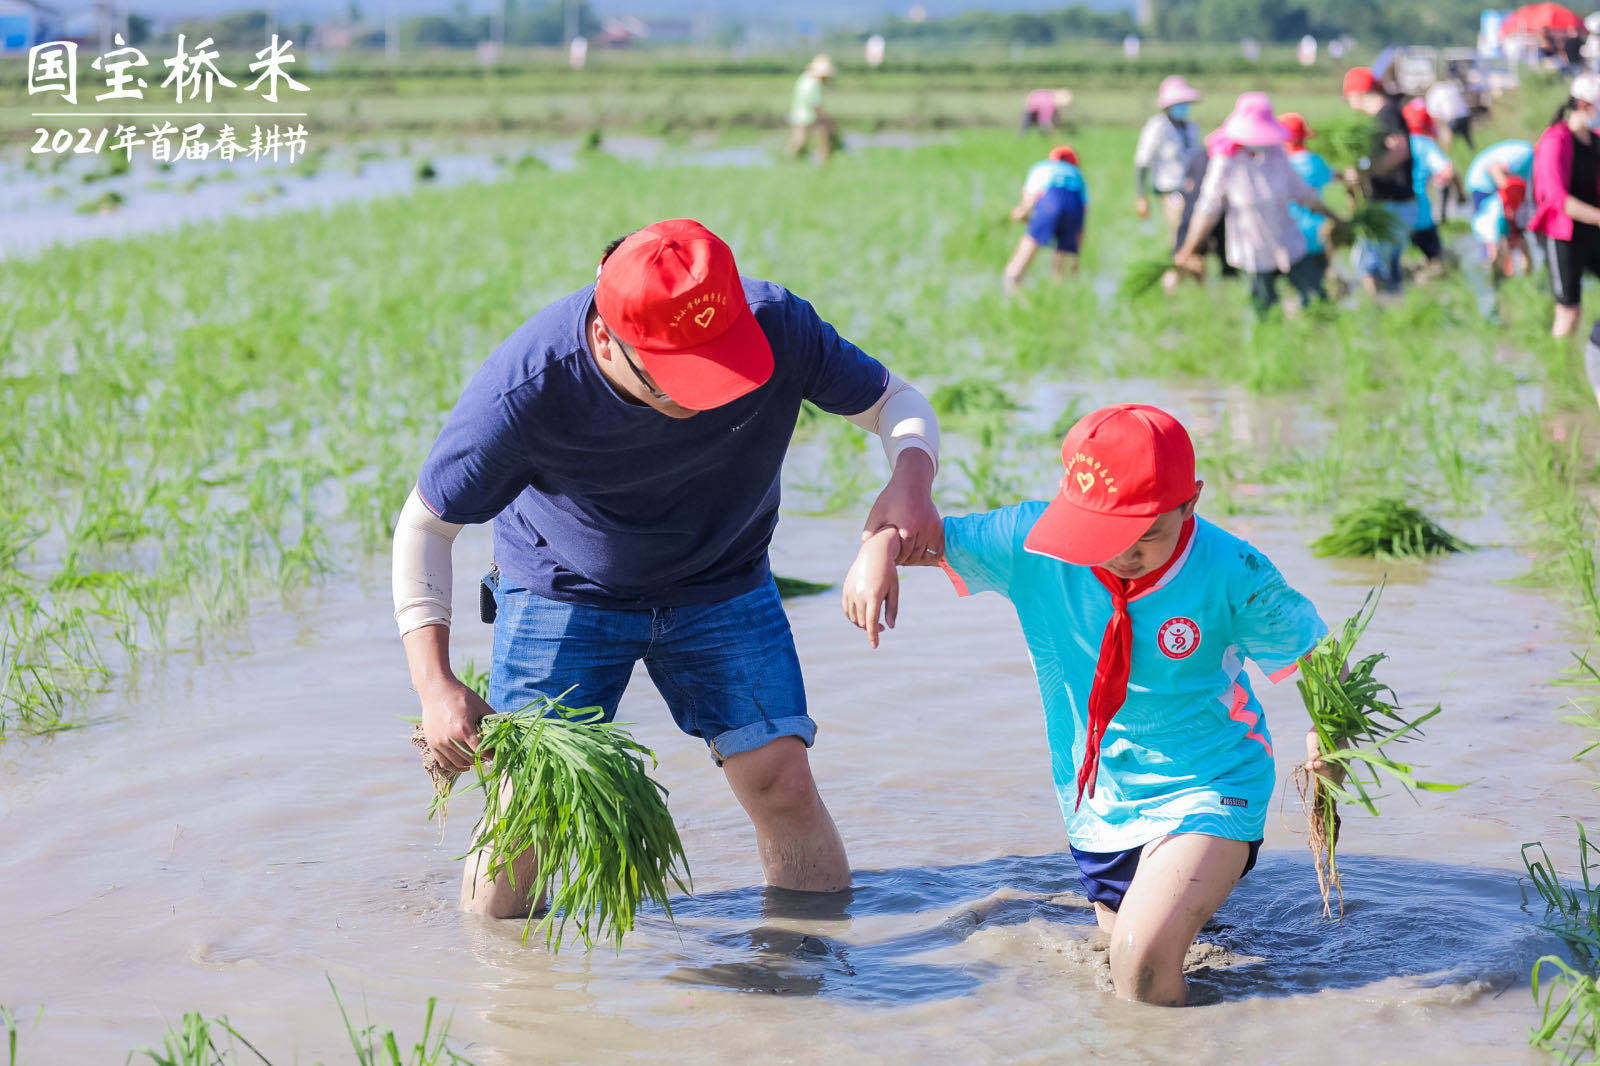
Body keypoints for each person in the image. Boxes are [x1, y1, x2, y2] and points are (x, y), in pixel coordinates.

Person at [394, 218, 945, 917]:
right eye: (680, 383)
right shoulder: (530, 386)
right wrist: (435, 684)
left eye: (722, 370)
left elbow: (896, 400)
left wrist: (911, 480)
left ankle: (811, 975)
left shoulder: (778, 325)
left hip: (724, 582)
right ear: (605, 342)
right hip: (564, 591)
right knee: (527, 806)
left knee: (782, 780)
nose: (707, 400)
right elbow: (424, 527)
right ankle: (505, 1000)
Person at [840, 403, 1334, 1006]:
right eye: (1106, 535)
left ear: (1191, 502)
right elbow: (927, 537)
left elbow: (1321, 659)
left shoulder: (1235, 571)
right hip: (1099, 807)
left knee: (1140, 965)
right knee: (1133, 974)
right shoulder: (1034, 542)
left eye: (1146, 534)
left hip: (1212, 784)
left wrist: (1327, 734)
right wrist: (879, 547)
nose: (1123, 552)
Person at [1174, 93, 1343, 317]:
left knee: (1317, 302)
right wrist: (1188, 249)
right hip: (1252, 250)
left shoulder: (1276, 154)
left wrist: (1336, 218)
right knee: (1265, 311)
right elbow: (1207, 209)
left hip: (1288, 242)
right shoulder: (1225, 161)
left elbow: (1303, 194)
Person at [1532, 73, 1600, 337]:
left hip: (1593, 231)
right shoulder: (1555, 140)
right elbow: (1556, 198)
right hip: (1564, 235)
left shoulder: (1594, 141)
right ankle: (1560, 368)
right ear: (1584, 105)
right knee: (1569, 311)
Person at [1342, 66, 1416, 295]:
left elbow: (1400, 151)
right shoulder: (1385, 114)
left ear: (1357, 93)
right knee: (1385, 265)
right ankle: (1394, 317)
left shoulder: (1387, 114)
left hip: (1392, 203)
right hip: (1397, 202)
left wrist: (1366, 172)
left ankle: (1380, 316)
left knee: (1369, 264)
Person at [1004, 144, 1090, 293]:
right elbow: (1083, 213)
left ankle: (1011, 286)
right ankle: (1060, 294)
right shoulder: (1077, 175)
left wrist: (1019, 214)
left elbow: (1029, 201)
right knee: (1063, 266)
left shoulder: (1042, 168)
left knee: (1028, 247)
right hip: (1074, 210)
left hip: (1049, 204)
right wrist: (1076, 251)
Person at [1134, 76, 1205, 237]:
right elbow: (1142, 161)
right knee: (1180, 228)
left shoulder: (1192, 128)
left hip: (1193, 189)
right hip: (1170, 188)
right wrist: (1141, 196)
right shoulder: (1157, 126)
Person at [1280, 112, 1336, 297]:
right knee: (1316, 282)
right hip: (1315, 231)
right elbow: (1333, 176)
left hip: (1288, 232)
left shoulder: (1280, 164)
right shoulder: (1315, 161)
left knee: (1297, 286)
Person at [1464, 139, 1535, 277]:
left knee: (1514, 231)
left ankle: (1516, 276)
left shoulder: (1534, 161)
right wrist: (1509, 198)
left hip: (1503, 191)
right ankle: (1493, 276)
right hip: (1485, 186)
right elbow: (1493, 169)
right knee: (1492, 235)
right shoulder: (1526, 155)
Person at [1402, 99, 1456, 276]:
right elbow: (1446, 170)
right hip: (1419, 210)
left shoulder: (1395, 140)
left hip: (1393, 209)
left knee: (1395, 262)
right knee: (1435, 259)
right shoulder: (1425, 144)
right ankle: (1433, 288)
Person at [787, 54, 837, 163]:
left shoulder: (804, 78)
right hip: (806, 117)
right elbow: (815, 104)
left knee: (798, 142)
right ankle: (823, 160)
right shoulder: (814, 83)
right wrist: (826, 118)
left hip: (797, 114)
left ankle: (793, 161)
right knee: (822, 139)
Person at [1426, 76, 1474, 150]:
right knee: (1468, 140)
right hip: (1465, 115)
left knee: (1445, 138)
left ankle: (1446, 154)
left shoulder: (1432, 93)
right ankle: (1471, 150)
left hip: (1452, 118)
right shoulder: (1450, 87)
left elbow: (1433, 114)